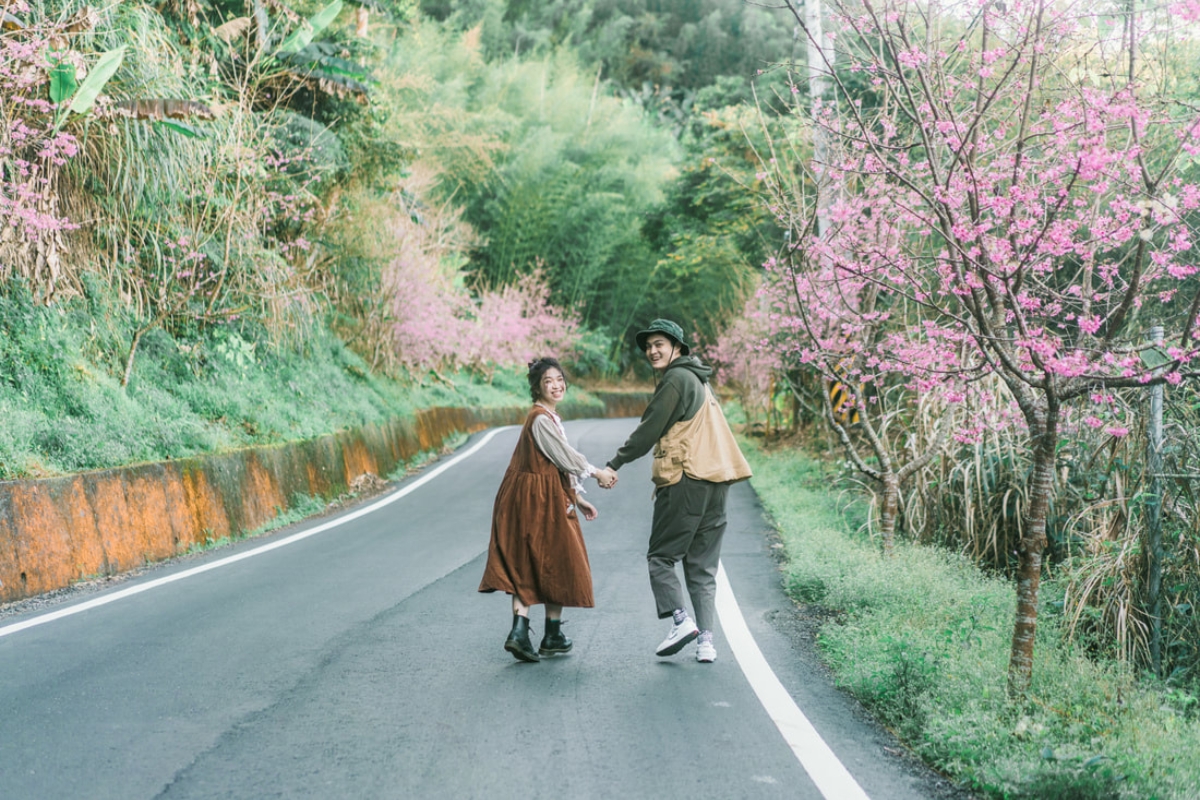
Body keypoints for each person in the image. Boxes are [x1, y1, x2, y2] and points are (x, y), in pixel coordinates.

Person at [604, 319, 751, 663]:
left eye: (660, 344)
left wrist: (614, 464)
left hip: (686, 480)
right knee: (701, 566)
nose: (652, 351)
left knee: (661, 556)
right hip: (717, 483)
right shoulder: (700, 381)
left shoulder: (676, 379)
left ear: (678, 349)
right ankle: (707, 642)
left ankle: (681, 621)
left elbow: (648, 430)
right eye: (648, 346)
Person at [478, 357, 618, 663]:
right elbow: (565, 457)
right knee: (559, 556)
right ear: (537, 388)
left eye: (559, 379)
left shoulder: (547, 418)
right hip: (539, 497)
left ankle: (532, 632)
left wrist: (577, 499)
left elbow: (557, 463)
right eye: (547, 382)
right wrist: (597, 473)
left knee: (528, 559)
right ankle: (538, 633)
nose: (555, 385)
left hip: (529, 495)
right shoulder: (541, 419)